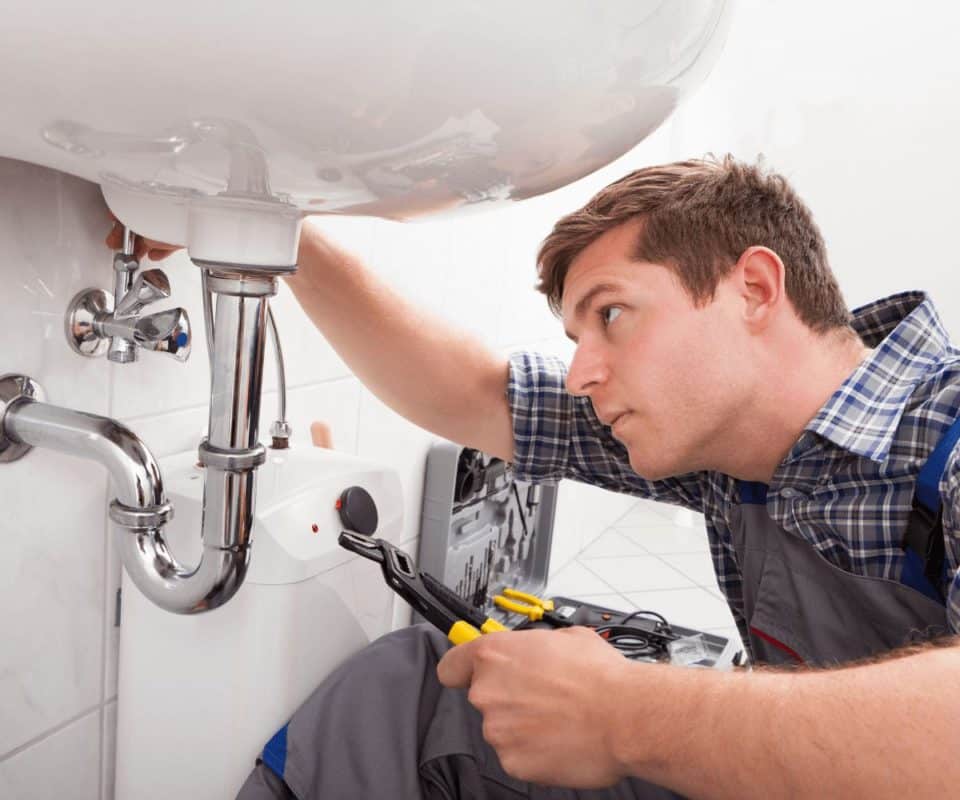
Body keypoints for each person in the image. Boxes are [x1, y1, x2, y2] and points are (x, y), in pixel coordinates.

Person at [109, 156, 960, 798]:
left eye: (612, 316)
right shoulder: (728, 460)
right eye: (575, 338)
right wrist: (268, 234)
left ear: (754, 288)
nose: (585, 372)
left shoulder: (945, 433)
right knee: (424, 694)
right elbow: (474, 394)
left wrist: (626, 716)